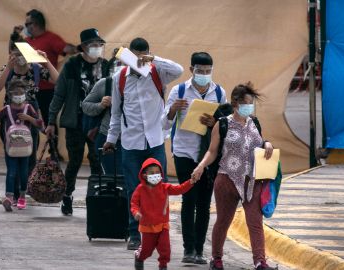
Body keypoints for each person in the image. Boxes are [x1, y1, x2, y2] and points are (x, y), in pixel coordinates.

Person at [103, 37, 183, 250]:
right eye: (135, 56)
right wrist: (111, 139)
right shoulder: (119, 78)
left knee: (158, 186)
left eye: (143, 56)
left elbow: (179, 70)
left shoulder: (158, 72)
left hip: (155, 140)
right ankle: (135, 234)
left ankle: (159, 230)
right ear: (129, 55)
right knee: (134, 187)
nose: (139, 61)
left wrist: (154, 59)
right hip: (131, 142)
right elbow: (116, 112)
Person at [191, 82, 277, 270]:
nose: (250, 106)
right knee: (223, 220)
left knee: (255, 222)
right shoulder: (222, 124)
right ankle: (217, 258)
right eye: (247, 102)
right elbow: (212, 151)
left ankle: (260, 261)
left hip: (251, 181)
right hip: (226, 179)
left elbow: (260, 143)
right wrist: (200, 166)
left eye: (251, 103)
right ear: (235, 103)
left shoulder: (254, 122)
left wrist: (268, 144)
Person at [161, 52, 227, 264]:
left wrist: (214, 122)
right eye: (200, 71)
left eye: (208, 71)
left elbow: (224, 124)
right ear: (191, 70)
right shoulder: (179, 91)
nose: (204, 75)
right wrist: (173, 110)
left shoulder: (219, 92)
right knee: (188, 200)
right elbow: (164, 123)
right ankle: (188, 249)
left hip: (208, 155)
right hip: (184, 152)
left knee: (204, 203)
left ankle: (200, 249)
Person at [45, 28, 110, 216]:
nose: (97, 48)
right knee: (74, 161)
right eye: (93, 45)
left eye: (99, 44)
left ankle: (97, 198)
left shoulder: (106, 66)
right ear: (83, 47)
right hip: (76, 121)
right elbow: (60, 94)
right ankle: (67, 196)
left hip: (98, 122)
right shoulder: (72, 65)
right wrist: (51, 121)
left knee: (97, 160)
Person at [0, 28, 58, 205]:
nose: (20, 57)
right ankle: (12, 193)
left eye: (23, 53)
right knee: (12, 153)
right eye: (16, 54)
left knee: (29, 154)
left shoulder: (35, 69)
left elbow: (58, 82)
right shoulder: (8, 70)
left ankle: (24, 190)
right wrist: (8, 67)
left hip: (31, 117)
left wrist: (46, 62)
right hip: (10, 119)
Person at [0, 80, 44, 211]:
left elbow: (39, 124)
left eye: (21, 93)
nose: (18, 96)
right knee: (11, 171)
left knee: (23, 172)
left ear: (25, 94)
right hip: (10, 148)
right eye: (15, 93)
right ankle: (9, 197)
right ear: (10, 94)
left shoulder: (29, 108)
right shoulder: (7, 109)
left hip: (26, 148)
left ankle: (22, 197)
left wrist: (29, 119)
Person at [24, 9, 77, 159]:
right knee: (26, 118)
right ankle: (26, 150)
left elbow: (66, 49)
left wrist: (78, 48)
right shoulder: (26, 42)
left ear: (36, 24)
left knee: (49, 120)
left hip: (48, 89)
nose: (26, 27)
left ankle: (53, 152)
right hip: (29, 90)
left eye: (28, 24)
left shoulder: (51, 39)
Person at [131, 158, 198, 270]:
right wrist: (136, 212)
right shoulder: (140, 189)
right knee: (146, 251)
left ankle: (163, 266)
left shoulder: (165, 187)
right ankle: (139, 257)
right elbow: (134, 203)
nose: (155, 175)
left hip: (163, 225)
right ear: (144, 175)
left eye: (157, 172)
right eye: (151, 173)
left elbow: (179, 189)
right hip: (147, 227)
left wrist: (190, 182)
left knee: (165, 249)